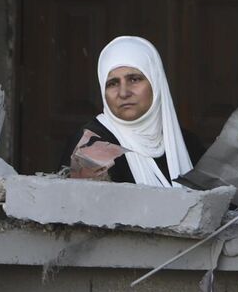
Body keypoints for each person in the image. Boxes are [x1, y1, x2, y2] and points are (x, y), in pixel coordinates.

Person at [67, 35, 200, 187]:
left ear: (156, 83)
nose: (123, 93)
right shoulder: (91, 145)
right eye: (112, 83)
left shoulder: (187, 144)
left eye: (134, 79)